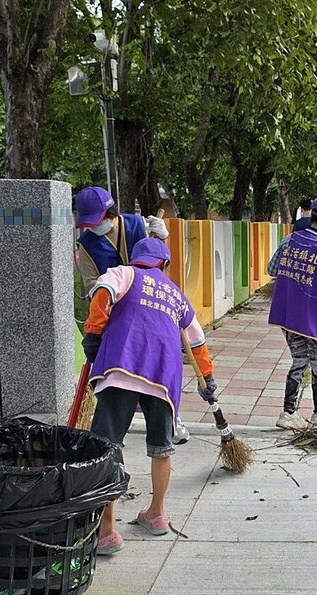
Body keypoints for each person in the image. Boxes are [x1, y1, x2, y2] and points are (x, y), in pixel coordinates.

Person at [82, 238, 218, 555]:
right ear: (165, 265)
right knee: (161, 447)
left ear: (138, 259)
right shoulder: (177, 296)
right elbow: (196, 341)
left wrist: (94, 331)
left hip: (123, 368)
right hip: (162, 377)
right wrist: (207, 376)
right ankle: (156, 514)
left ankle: (107, 531)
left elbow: (103, 291)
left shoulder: (124, 274)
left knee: (107, 446)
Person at [74, 187, 191, 444]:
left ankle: (171, 418)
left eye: (97, 220)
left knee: (162, 362)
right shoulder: (87, 246)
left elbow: (159, 261)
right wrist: (115, 287)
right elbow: (91, 284)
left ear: (109, 213)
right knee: (116, 370)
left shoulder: (138, 225)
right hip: (115, 313)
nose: (94, 227)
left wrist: (162, 239)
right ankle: (113, 430)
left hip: (151, 308)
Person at [268, 197, 317, 429]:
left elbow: (271, 269)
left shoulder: (290, 240)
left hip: (289, 313)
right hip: (313, 316)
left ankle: (288, 413)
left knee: (299, 361)